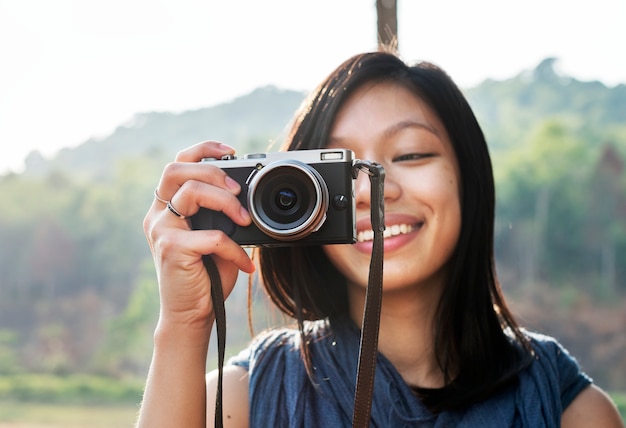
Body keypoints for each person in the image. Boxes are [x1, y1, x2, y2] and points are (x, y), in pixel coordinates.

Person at [136, 51, 623, 427]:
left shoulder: (565, 410)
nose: (376, 190)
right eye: (341, 170)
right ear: (298, 207)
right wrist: (184, 324)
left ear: (470, 179)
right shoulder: (245, 400)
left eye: (410, 154)